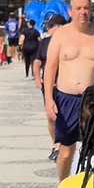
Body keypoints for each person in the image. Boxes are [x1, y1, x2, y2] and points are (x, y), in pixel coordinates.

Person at [43, 0, 94, 181]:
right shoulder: (61, 34)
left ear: (91, 10)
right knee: (67, 151)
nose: (83, 12)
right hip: (66, 98)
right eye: (78, 8)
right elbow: (50, 68)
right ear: (70, 11)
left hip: (93, 100)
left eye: (86, 8)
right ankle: (63, 187)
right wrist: (48, 100)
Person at [33, 14, 66, 162]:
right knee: (51, 116)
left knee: (64, 116)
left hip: (65, 86)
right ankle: (56, 143)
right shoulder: (45, 42)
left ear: (59, 27)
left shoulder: (68, 41)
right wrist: (37, 78)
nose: (49, 29)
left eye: (51, 26)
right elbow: (37, 62)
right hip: (49, 85)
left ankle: (62, 145)